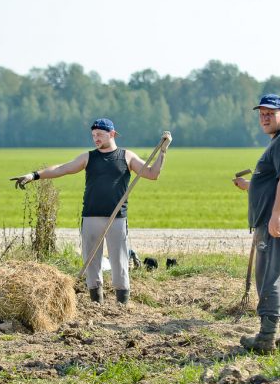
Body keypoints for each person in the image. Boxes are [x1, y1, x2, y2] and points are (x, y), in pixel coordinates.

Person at [11, 119, 172, 304]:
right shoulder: (88, 157)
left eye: (100, 135)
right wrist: (34, 175)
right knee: (91, 263)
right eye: (93, 135)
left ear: (112, 134)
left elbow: (152, 174)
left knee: (120, 262)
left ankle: (122, 306)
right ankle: (97, 303)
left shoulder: (126, 156)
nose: (95, 138)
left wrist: (163, 151)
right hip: (90, 216)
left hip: (117, 218)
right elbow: (62, 169)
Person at [232, 94, 280, 353]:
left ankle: (266, 337)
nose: (265, 118)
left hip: (277, 224)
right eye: (261, 114)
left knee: (270, 276)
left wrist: (276, 215)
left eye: (270, 113)